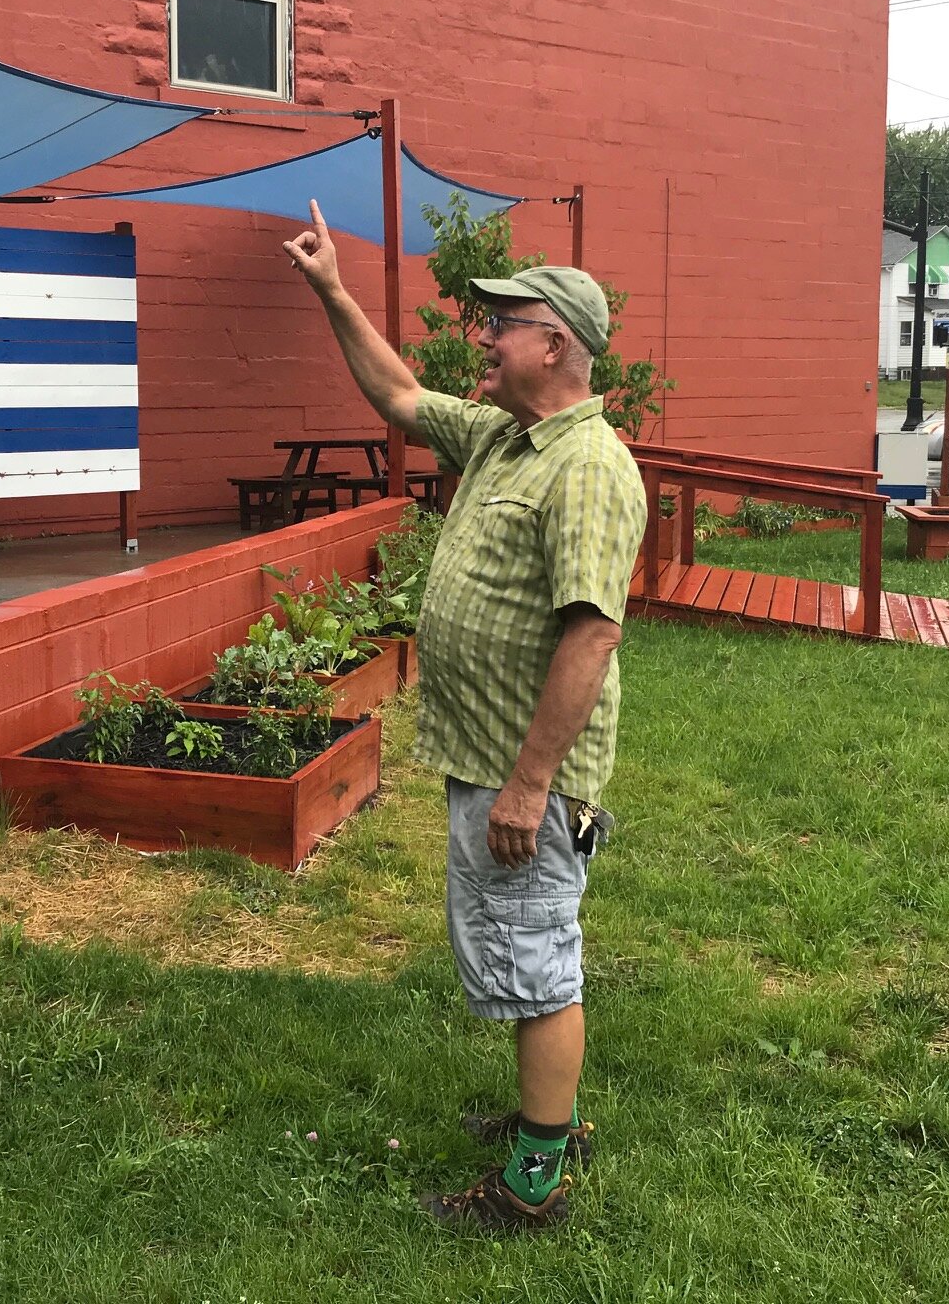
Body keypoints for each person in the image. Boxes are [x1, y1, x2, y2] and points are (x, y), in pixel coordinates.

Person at [282, 199, 646, 1231]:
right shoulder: (504, 435)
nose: (480, 338)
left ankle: (536, 1182)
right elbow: (398, 393)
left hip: (522, 768)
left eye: (502, 323)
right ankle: (549, 1116)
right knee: (524, 948)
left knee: (535, 958)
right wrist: (331, 290)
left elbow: (591, 636)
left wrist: (532, 784)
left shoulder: (586, 466)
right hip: (487, 751)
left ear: (556, 344)